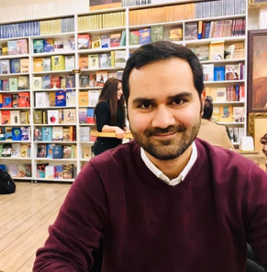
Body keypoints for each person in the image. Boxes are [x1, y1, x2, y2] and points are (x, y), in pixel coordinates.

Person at [34, 41, 267, 271]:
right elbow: (56, 259)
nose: (163, 121)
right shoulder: (101, 177)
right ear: (128, 108)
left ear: (200, 101)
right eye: (145, 105)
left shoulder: (244, 179)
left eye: (178, 101)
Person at [93, 78, 127, 156]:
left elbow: (120, 123)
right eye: (118, 89)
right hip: (104, 147)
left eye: (121, 89)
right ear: (111, 90)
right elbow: (101, 127)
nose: (121, 92)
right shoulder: (102, 105)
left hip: (116, 146)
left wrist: (125, 128)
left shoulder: (119, 106)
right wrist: (116, 129)